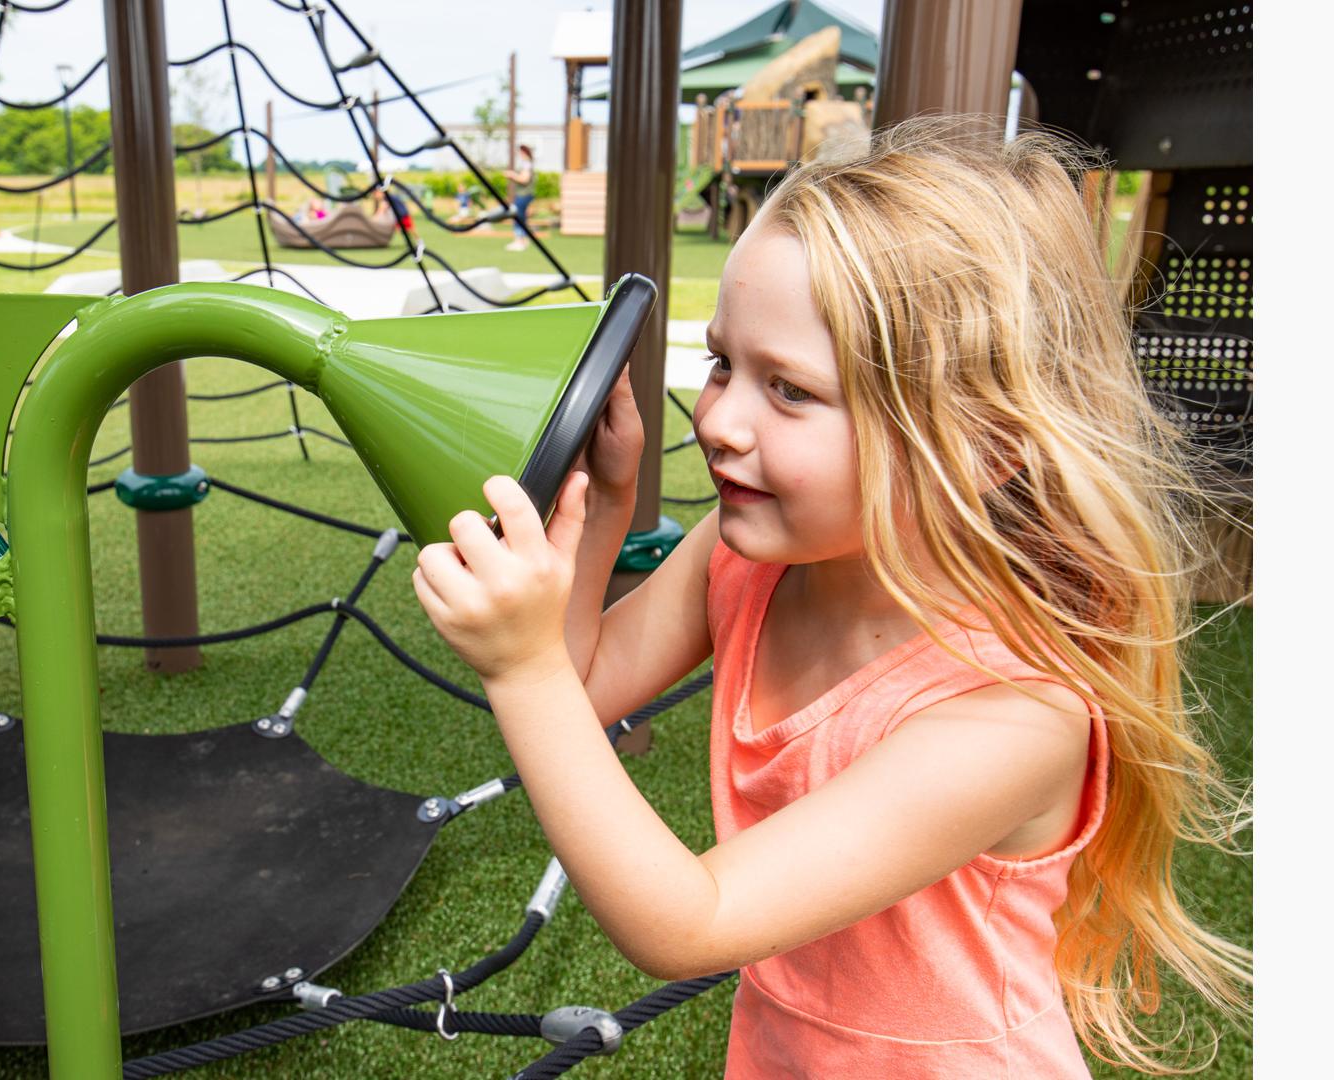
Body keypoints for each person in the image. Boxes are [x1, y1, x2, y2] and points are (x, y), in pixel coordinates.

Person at [410, 117, 1249, 1078]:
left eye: (792, 391)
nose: (720, 419)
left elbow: (693, 921)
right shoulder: (745, 562)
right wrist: (599, 514)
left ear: (980, 445)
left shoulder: (1012, 716)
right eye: (724, 362)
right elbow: (588, 684)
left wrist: (520, 667)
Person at [502, 145, 535, 251]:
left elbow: (524, 179)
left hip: (524, 194)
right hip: (524, 194)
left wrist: (512, 175)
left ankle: (519, 241)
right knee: (521, 218)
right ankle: (522, 241)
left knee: (518, 217)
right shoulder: (527, 163)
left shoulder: (527, 164)